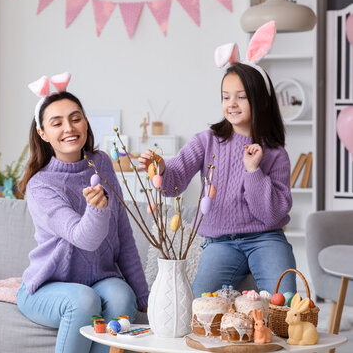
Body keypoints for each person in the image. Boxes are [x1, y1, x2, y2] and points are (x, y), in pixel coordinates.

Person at [138, 21, 296, 297]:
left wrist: (252, 171)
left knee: (287, 303)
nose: (231, 104)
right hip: (219, 242)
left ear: (262, 101)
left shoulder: (275, 153)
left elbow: (272, 215)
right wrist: (161, 168)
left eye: (241, 97)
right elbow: (174, 183)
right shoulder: (207, 140)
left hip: (267, 238)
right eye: (226, 97)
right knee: (201, 307)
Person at [17, 73, 149, 353]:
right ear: (43, 133)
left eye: (75, 118)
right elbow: (83, 237)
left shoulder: (100, 162)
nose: (69, 128)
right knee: (83, 301)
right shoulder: (41, 185)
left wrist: (143, 294)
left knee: (122, 296)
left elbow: (122, 233)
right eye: (57, 123)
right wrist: (96, 209)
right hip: (47, 287)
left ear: (86, 122)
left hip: (100, 278)